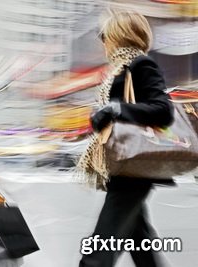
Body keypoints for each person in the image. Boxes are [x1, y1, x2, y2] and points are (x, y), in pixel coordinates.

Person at [78, 10, 174, 267]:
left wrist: (117, 109)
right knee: (141, 247)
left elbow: (163, 111)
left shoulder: (141, 65)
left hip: (134, 168)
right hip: (122, 167)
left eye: (105, 35)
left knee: (97, 253)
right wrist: (101, 115)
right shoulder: (116, 70)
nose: (103, 41)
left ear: (120, 35)